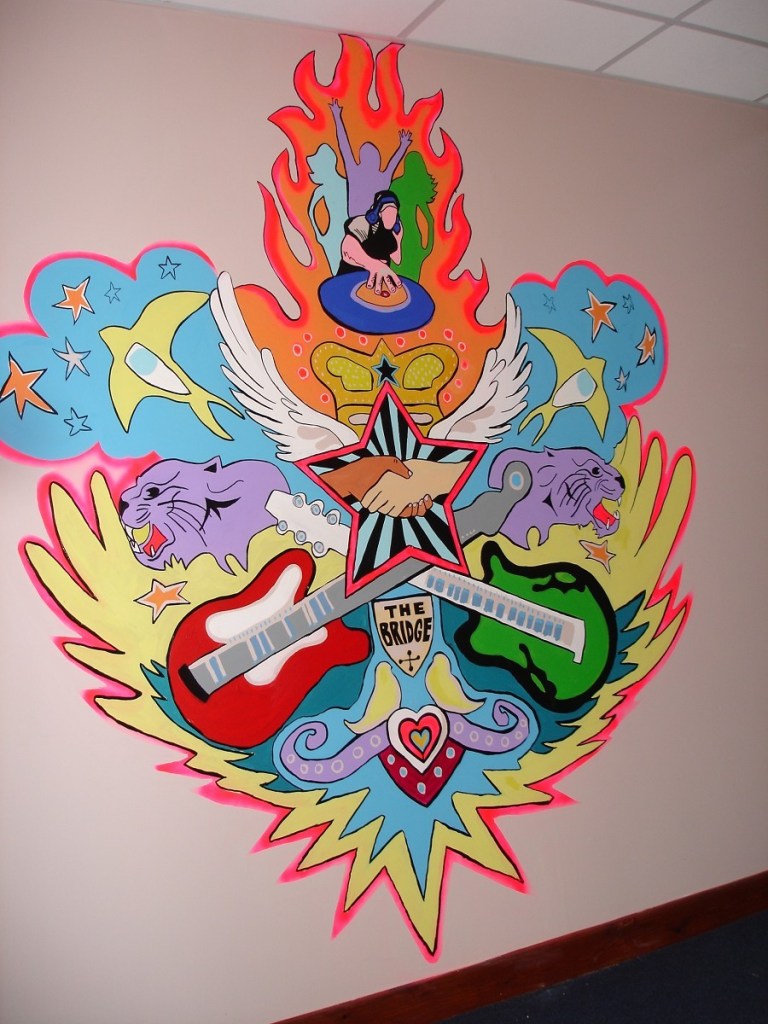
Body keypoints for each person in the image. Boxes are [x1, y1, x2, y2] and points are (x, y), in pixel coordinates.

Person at [330, 99, 412, 216]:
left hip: (357, 220)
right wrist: (403, 146)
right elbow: (393, 164)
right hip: (373, 222)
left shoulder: (354, 171)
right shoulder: (382, 177)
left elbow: (344, 146)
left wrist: (337, 116)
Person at [337, 190, 403, 295]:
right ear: (378, 213)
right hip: (348, 281)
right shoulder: (362, 223)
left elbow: (397, 259)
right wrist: (375, 265)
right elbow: (347, 249)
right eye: (388, 211)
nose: (391, 217)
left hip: (372, 289)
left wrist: (398, 238)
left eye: (394, 213)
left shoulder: (390, 233)